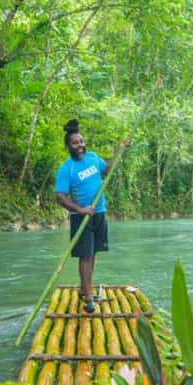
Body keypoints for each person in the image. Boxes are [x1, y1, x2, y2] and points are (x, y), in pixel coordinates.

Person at [54, 119, 129, 313]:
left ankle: (84, 287)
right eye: (75, 143)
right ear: (68, 147)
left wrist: (120, 151)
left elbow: (106, 170)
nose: (80, 145)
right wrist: (80, 210)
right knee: (85, 256)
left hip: (99, 213)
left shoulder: (94, 158)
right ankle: (88, 295)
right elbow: (60, 197)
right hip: (81, 217)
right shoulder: (66, 168)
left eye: (81, 141)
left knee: (93, 252)